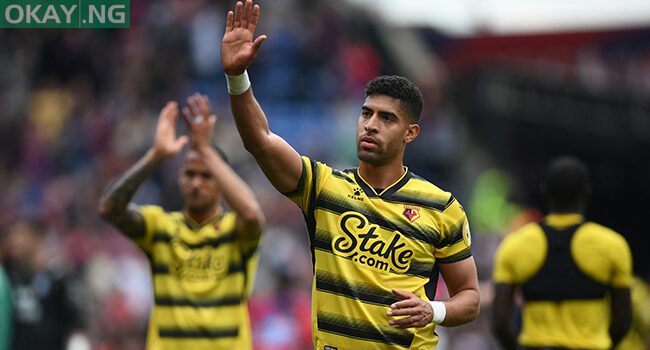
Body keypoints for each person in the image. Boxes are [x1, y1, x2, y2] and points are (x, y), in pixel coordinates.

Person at [220, 1, 481, 348]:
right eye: (366, 113)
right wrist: (237, 78)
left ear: (411, 133)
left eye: (386, 118)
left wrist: (433, 311)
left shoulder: (441, 207)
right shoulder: (323, 186)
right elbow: (261, 142)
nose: (371, 125)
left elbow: (470, 298)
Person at [98, 93, 265, 350]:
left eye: (206, 176)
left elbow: (253, 215)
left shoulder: (235, 232)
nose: (196, 183)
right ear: (179, 179)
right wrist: (154, 156)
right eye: (189, 174)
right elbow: (109, 209)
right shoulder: (160, 227)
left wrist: (205, 149)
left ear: (221, 182)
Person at [491, 155, 633, 350]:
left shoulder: (515, 245)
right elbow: (623, 320)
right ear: (587, 192)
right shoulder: (613, 245)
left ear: (545, 191)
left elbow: (499, 321)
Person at [4, 219, 88, 350]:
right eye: (12, 235)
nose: (15, 241)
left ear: (37, 238)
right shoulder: (9, 279)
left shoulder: (58, 281)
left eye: (21, 234)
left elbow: (77, 328)